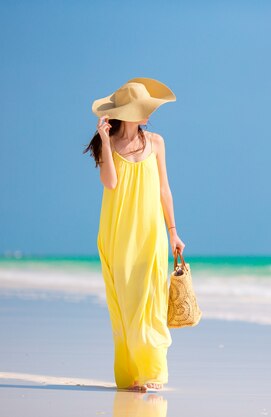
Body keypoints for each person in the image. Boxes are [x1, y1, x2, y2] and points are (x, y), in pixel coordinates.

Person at [84, 78, 185, 392]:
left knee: (150, 300)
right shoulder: (109, 142)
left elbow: (164, 190)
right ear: (124, 113)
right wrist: (102, 138)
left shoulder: (156, 142)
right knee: (127, 304)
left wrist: (173, 232)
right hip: (118, 232)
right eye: (140, 109)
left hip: (151, 232)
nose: (146, 115)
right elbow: (111, 183)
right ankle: (132, 375)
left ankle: (153, 373)